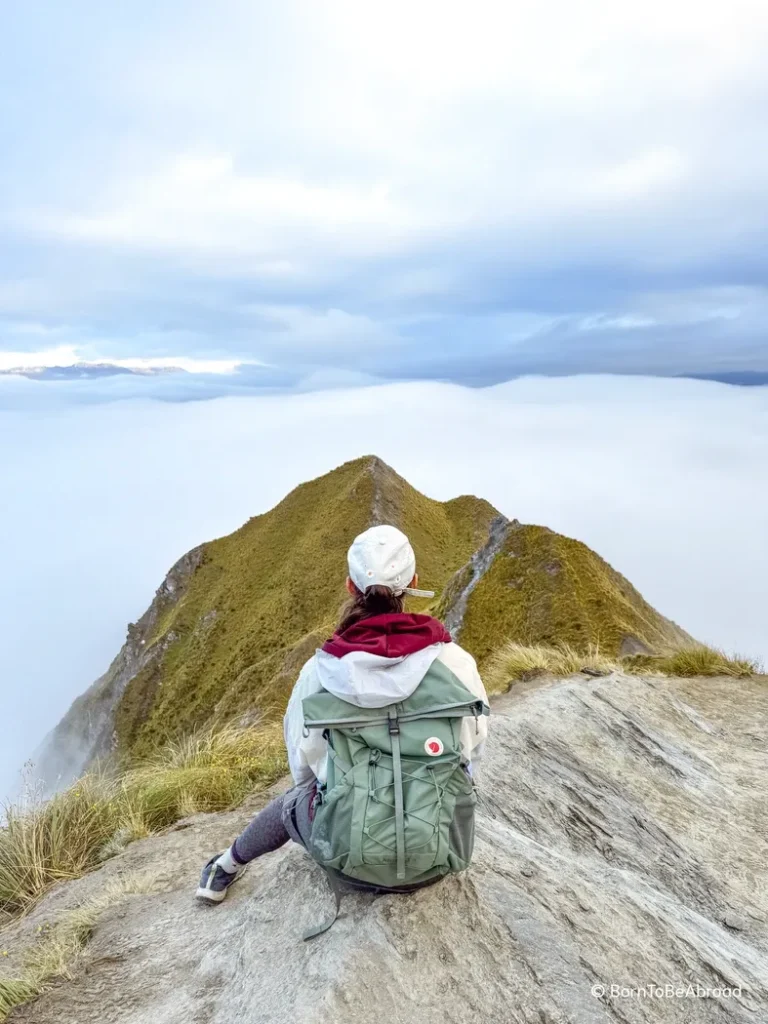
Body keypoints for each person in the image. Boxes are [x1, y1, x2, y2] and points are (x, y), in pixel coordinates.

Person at [196, 524, 490, 918]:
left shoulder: (320, 672)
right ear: (414, 583)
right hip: (437, 857)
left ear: (351, 587)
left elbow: (303, 766)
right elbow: (472, 747)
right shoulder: (456, 663)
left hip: (348, 862)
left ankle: (225, 867)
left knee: (295, 797)